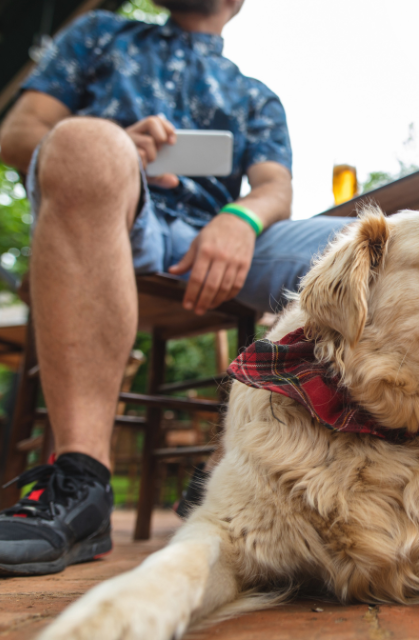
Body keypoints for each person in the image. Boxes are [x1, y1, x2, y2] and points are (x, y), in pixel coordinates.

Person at [0, 0, 352, 576]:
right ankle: (82, 482)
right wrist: (120, 143)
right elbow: (19, 134)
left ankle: (240, 474)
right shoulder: (99, 33)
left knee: (366, 249)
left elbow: (274, 187)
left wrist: (240, 220)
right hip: (116, 212)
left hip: (219, 234)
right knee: (85, 143)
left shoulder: (255, 94)